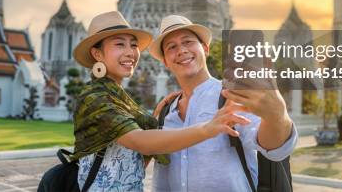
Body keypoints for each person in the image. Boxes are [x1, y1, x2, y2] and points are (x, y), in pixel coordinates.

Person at [70, 11, 251, 192]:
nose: (130, 52)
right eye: (119, 45)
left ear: (205, 48)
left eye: (133, 45)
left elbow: (137, 161)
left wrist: (156, 117)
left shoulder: (121, 99)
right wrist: (207, 128)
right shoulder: (94, 97)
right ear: (97, 54)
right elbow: (140, 142)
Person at [149, 15, 298, 192]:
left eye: (188, 42)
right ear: (165, 61)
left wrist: (277, 115)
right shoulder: (166, 113)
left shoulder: (232, 95)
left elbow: (273, 147)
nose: (181, 50)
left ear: (205, 48)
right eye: (171, 47)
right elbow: (161, 182)